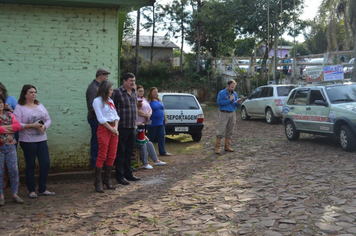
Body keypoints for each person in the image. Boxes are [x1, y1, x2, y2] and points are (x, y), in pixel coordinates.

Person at [13, 84, 55, 199]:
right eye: (31, 92)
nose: (33, 94)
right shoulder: (20, 107)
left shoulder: (39, 105)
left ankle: (42, 188)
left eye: (35, 92)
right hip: (27, 140)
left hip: (41, 139)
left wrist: (44, 126)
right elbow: (16, 124)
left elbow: (48, 119)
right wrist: (32, 125)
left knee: (45, 163)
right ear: (25, 94)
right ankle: (31, 190)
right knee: (30, 164)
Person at [112, 72, 141, 185]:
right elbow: (112, 109)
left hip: (132, 127)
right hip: (122, 127)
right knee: (121, 152)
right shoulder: (117, 92)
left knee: (129, 152)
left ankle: (129, 174)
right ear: (124, 81)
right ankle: (120, 176)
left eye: (134, 81)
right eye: (131, 81)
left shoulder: (134, 92)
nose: (133, 83)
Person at [92, 80, 119, 193]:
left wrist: (116, 128)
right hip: (104, 128)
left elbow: (116, 116)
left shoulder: (110, 101)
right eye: (111, 89)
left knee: (112, 155)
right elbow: (101, 118)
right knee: (102, 155)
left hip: (113, 129)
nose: (112, 91)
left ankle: (106, 180)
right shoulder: (97, 101)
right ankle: (97, 182)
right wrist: (111, 128)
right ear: (105, 89)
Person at [0, 94, 23, 206]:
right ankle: (1, 196)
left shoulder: (9, 114)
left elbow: (17, 127)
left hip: (10, 146)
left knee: (13, 170)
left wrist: (3, 129)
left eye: (1, 103)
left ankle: (15, 194)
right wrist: (9, 129)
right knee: (0, 172)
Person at [86, 68, 111, 170]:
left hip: (100, 120)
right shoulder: (93, 88)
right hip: (95, 120)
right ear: (101, 76)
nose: (107, 78)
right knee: (97, 142)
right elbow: (92, 107)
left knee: (101, 142)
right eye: (106, 76)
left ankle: (100, 164)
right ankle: (96, 165)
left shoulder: (97, 87)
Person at [0, 82, 19, 190]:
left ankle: (13, 182)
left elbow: (18, 116)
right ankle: (4, 181)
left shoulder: (10, 99)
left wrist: (10, 110)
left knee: (12, 160)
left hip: (11, 138)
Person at [215, 80, 242, 154]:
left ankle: (227, 146)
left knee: (230, 130)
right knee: (221, 129)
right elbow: (219, 102)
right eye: (231, 87)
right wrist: (229, 100)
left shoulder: (234, 94)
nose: (233, 88)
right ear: (227, 85)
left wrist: (239, 103)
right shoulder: (221, 93)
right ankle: (217, 147)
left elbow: (235, 103)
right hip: (224, 113)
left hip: (232, 113)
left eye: (234, 87)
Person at [146, 87, 171, 156]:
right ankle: (148, 152)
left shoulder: (159, 100)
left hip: (160, 122)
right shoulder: (148, 101)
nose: (156, 93)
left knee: (162, 136)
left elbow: (163, 110)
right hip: (152, 123)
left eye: (156, 92)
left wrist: (165, 119)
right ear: (151, 93)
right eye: (154, 92)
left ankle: (162, 151)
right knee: (151, 138)